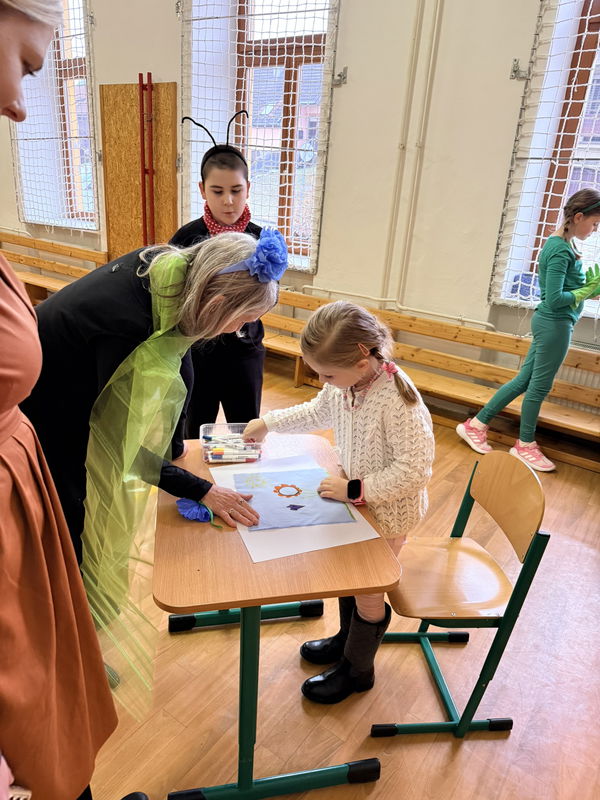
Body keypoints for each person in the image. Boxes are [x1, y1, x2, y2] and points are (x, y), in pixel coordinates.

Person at [0, 2, 127, 799]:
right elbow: (118, 420)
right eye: (24, 65)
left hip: (24, 477)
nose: (21, 105)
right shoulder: (135, 312)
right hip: (46, 442)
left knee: (50, 714)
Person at [243, 301, 435, 703]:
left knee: (367, 591)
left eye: (327, 374)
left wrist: (353, 490)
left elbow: (414, 472)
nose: (322, 381)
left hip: (388, 516)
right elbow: (318, 410)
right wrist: (268, 423)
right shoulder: (348, 383)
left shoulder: (399, 402)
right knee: (351, 577)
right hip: (361, 505)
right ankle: (346, 641)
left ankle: (358, 669)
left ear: (362, 361)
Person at [456, 188, 600, 472]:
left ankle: (476, 425)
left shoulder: (566, 245)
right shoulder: (559, 249)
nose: (595, 230)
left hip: (555, 323)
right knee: (538, 387)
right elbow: (554, 298)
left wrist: (589, 291)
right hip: (555, 324)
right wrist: (585, 291)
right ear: (578, 217)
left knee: (524, 381)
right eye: (594, 223)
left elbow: (566, 291)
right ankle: (525, 445)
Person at [170, 129, 265, 437]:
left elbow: (268, 296)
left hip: (245, 353)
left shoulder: (262, 239)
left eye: (236, 190)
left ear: (248, 188)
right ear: (202, 190)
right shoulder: (187, 239)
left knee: (246, 429)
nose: (228, 201)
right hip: (199, 354)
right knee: (195, 429)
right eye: (217, 191)